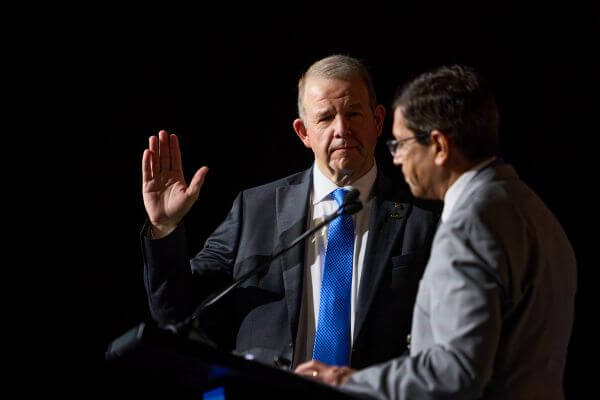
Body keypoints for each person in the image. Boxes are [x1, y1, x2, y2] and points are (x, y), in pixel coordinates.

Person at [295, 65, 577, 399]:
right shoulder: (530, 208)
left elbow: (455, 371)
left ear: (440, 146)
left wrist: (345, 383)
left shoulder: (470, 224)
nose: (397, 159)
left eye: (401, 144)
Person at [141, 55, 440, 369]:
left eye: (353, 113)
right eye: (325, 117)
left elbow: (440, 338)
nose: (342, 129)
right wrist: (165, 228)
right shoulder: (254, 210)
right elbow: (175, 312)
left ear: (377, 121)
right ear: (303, 132)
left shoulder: (422, 216)